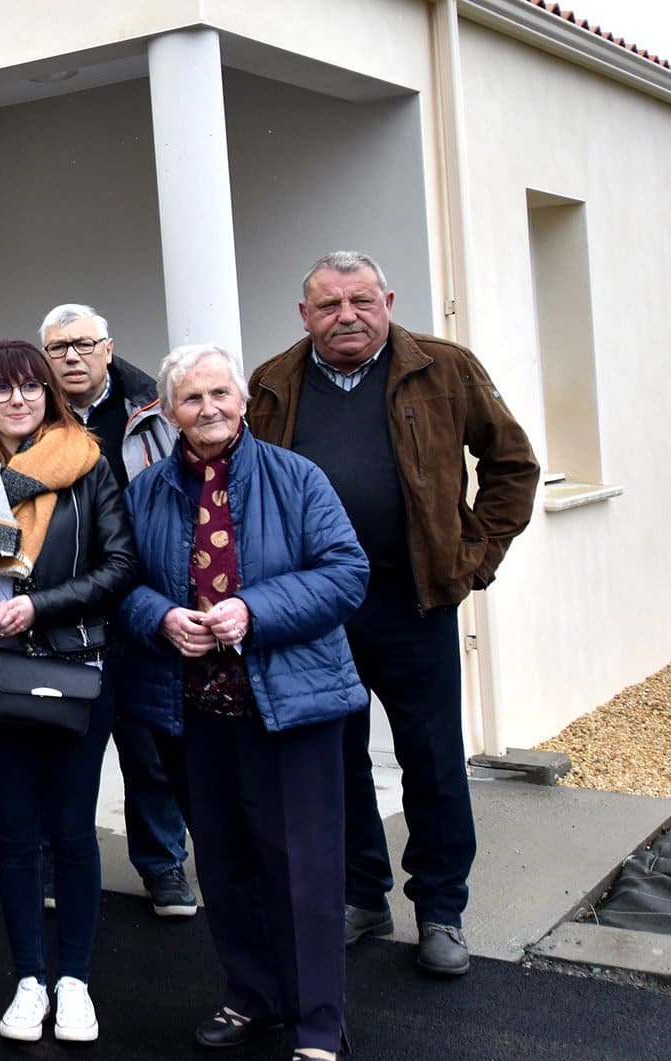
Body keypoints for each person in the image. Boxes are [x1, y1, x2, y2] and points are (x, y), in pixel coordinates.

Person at [248, 251, 539, 978]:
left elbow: (513, 467)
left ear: (387, 301)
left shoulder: (445, 369)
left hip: (413, 605)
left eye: (360, 301)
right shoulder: (274, 383)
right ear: (304, 314)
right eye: (328, 305)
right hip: (317, 612)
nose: (346, 316)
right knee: (335, 761)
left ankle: (442, 908)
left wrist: (473, 558)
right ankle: (362, 897)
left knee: (433, 762)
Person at [118, 344, 368, 1061]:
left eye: (221, 393)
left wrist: (252, 611)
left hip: (291, 709)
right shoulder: (146, 492)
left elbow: (346, 573)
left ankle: (319, 1025)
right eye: (191, 399)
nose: (210, 409)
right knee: (225, 864)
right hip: (194, 710)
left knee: (305, 871)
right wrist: (162, 618)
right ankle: (251, 995)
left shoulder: (297, 479)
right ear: (168, 412)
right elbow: (122, 583)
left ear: (244, 399)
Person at [0, 341, 136, 1042]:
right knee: (15, 837)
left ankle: (74, 981)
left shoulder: (88, 461)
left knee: (73, 832)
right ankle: (28, 981)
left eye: (31, 388)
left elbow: (120, 564)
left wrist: (40, 607)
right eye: (2, 389)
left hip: (76, 671)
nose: (18, 400)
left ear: (51, 394)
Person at [39, 303, 195, 919]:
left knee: (148, 745)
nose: (72, 357)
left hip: (139, 601)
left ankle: (162, 865)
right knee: (59, 744)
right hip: (60, 608)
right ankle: (56, 862)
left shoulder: (151, 409)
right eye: (58, 348)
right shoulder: (31, 413)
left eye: (83, 344)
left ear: (108, 348)